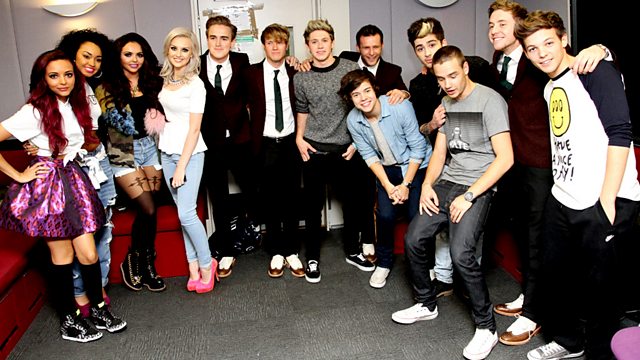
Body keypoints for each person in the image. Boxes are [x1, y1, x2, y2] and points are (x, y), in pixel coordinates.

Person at [515, 11, 640, 360]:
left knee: (602, 291)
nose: (542, 53)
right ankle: (570, 342)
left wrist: (607, 200)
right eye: (533, 48)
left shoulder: (595, 70)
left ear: (564, 38)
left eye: (548, 43)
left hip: (604, 199)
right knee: (558, 279)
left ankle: (599, 354)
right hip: (564, 198)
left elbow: (620, 134)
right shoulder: (551, 84)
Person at [486, 0, 612, 347]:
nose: (494, 30)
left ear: (520, 26)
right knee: (527, 235)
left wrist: (601, 49)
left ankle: (535, 313)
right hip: (518, 162)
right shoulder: (499, 61)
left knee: (542, 240)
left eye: (501, 24)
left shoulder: (540, 56)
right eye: (491, 25)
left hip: (546, 164)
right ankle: (530, 296)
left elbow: (578, 65)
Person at [391, 45, 513, 360]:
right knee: (414, 238)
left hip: (478, 187)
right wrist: (428, 184)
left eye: (453, 75)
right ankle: (426, 304)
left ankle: (487, 327)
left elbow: (506, 158)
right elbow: (442, 153)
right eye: (442, 78)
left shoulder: (489, 100)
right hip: (447, 181)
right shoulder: (446, 102)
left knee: (461, 255)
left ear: (465, 69)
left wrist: (470, 196)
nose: (449, 83)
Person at [0, 49, 126, 342]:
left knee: (89, 252)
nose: (63, 81)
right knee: (63, 254)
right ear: (43, 79)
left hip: (73, 178)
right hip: (48, 186)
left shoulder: (74, 104)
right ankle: (69, 320)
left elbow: (81, 142)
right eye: (54, 76)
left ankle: (96, 309)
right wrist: (19, 175)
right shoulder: (34, 110)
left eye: (68, 74)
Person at [405, 17, 499, 299]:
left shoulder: (476, 68)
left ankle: (469, 281)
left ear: (444, 42)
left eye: (432, 44)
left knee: (467, 233)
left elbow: (493, 106)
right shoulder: (419, 85)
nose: (427, 52)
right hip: (444, 161)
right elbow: (421, 129)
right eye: (420, 48)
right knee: (438, 229)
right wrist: (434, 125)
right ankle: (445, 280)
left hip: (480, 163)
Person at [293, 19, 375, 283]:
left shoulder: (350, 68)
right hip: (314, 150)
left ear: (333, 42)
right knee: (311, 208)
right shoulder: (301, 77)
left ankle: (352, 250)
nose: (319, 46)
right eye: (314, 41)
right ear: (307, 45)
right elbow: (302, 110)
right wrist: (298, 138)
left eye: (324, 40)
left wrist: (356, 143)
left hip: (346, 150)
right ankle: (313, 258)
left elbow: (363, 105)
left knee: (353, 204)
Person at [340, 69, 431, 288]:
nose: (363, 98)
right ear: (349, 99)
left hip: (415, 165)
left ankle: (427, 265)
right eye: (356, 95)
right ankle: (384, 264)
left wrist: (406, 184)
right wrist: (389, 186)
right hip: (387, 169)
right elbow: (369, 156)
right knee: (385, 215)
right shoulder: (353, 120)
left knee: (416, 215)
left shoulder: (399, 106)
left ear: (375, 89)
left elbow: (418, 148)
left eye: (367, 91)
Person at [95, 32, 166, 292]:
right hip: (122, 152)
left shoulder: (153, 83)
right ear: (119, 57)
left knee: (153, 206)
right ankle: (134, 261)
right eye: (128, 54)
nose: (134, 59)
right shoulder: (106, 87)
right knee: (146, 208)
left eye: (139, 54)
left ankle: (147, 264)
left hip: (150, 148)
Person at [339, 23, 409, 263]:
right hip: (350, 140)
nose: (370, 52)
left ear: (382, 46)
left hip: (379, 146)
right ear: (357, 47)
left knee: (372, 194)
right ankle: (351, 243)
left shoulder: (391, 71)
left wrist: (405, 93)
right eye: (365, 47)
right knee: (352, 195)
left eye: (375, 47)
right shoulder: (345, 62)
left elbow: (403, 94)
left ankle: (369, 239)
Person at [198, 15, 259, 278]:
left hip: (241, 139)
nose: (218, 42)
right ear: (207, 38)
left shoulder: (242, 62)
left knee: (253, 188)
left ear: (232, 41)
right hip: (210, 142)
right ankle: (225, 250)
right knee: (219, 197)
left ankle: (248, 228)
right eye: (213, 37)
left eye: (224, 38)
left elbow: (262, 83)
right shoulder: (195, 65)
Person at [158, 27, 217, 293]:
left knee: (186, 213)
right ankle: (192, 266)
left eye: (185, 49)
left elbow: (195, 129)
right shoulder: (163, 79)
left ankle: (207, 264)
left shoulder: (196, 84)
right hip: (166, 151)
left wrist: (181, 166)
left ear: (192, 53)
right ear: (167, 50)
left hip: (190, 154)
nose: (179, 54)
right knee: (184, 216)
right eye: (174, 48)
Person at [244, 23, 305, 278]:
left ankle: (291, 250)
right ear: (264, 45)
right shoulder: (251, 74)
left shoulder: (297, 71)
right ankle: (276, 252)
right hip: (265, 143)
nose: (275, 46)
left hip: (291, 142)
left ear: (286, 45)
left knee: (291, 197)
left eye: (280, 42)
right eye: (270, 42)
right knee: (270, 200)